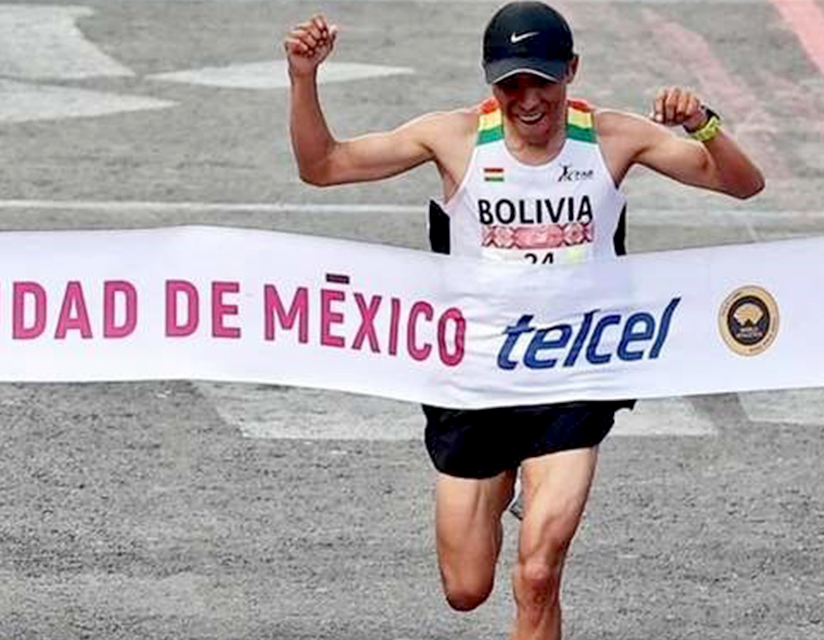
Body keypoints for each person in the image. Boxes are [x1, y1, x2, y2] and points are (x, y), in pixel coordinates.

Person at [285, 3, 764, 639]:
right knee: (466, 588)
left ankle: (537, 502)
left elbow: (742, 184)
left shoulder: (613, 138)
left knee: (538, 574)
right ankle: (508, 482)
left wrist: (703, 126)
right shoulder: (454, 138)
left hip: (574, 374)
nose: (527, 99)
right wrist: (303, 78)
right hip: (476, 379)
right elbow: (322, 166)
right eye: (511, 83)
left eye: (542, 80)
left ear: (571, 70)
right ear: (491, 81)